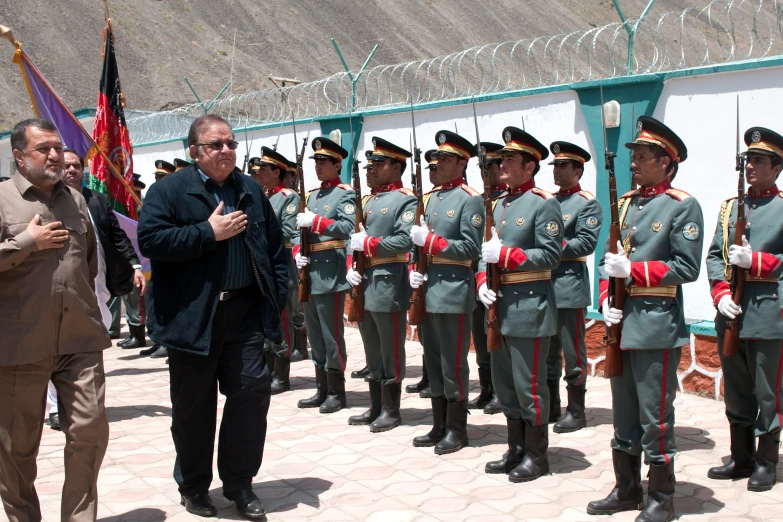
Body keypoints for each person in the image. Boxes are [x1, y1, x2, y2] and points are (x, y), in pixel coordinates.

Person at [138, 114, 288, 520]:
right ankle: (193, 486)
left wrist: (278, 296)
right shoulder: (169, 191)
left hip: (244, 314)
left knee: (251, 397)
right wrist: (208, 232)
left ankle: (240, 484)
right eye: (214, 145)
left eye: (230, 143)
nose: (225, 151)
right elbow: (150, 240)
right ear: (194, 151)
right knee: (193, 409)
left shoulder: (249, 189)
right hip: (193, 318)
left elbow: (275, 248)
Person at [587, 117, 703, 522]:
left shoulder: (681, 205)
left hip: (656, 325)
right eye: (633, 155)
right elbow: (607, 262)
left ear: (666, 163)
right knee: (623, 413)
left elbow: (686, 268)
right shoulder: (625, 204)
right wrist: (606, 298)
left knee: (655, 417)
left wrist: (632, 273)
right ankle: (626, 488)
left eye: (641, 156)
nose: (633, 163)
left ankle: (661, 498)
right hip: (622, 324)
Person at [0, 118, 111, 522]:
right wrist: (27, 242)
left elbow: (90, 261)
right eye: (42, 149)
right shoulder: (1, 199)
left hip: (79, 340)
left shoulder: (76, 200)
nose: (54, 156)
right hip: (20, 346)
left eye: (56, 147)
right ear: (18, 156)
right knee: (16, 450)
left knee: (90, 433)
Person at [477, 127, 562, 482]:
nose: (502, 165)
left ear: (530, 166)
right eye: (502, 160)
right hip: (499, 306)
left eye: (510, 159)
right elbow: (485, 254)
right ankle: (515, 449)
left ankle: (537, 456)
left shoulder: (544, 203)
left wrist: (507, 255)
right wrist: (482, 281)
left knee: (530, 385)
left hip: (530, 306)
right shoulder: (500, 204)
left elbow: (551, 254)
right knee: (506, 383)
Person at [705, 126, 783, 492]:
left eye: (759, 160)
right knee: (737, 388)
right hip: (731, 311)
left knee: (768, 391)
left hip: (768, 312)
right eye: (747, 159)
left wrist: (757, 261)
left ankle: (767, 460)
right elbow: (714, 256)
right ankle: (741, 456)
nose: (750, 166)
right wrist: (720, 293)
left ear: (777, 167)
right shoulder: (730, 208)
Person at [45, 148, 146, 430]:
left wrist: (136, 267)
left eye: (77, 166)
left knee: (92, 345)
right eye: (66, 166)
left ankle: (86, 400)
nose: (72, 171)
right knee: (58, 347)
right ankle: (55, 406)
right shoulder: (47, 203)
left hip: (97, 286)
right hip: (60, 288)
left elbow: (118, 237)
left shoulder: (98, 201)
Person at [410, 130, 483, 455]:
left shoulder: (470, 199)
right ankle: (438, 423)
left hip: (453, 290)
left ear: (461, 163)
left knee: (454, 362)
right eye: (437, 157)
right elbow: (418, 244)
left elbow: (470, 247)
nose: (438, 163)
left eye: (445, 158)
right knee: (434, 358)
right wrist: (415, 268)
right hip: (428, 289)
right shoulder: (432, 197)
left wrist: (431, 243)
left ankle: (457, 428)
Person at [347, 138, 416, 432]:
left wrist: (370, 244)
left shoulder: (406, 200)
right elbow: (354, 239)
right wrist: (352, 264)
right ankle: (375, 406)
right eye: (370, 165)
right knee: (372, 348)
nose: (370, 170)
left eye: (378, 164)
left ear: (396, 166)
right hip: (364, 284)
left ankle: (391, 408)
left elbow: (405, 239)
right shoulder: (367, 200)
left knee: (390, 348)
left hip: (388, 284)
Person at [294, 137, 356, 414]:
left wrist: (316, 221)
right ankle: (321, 388)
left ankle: (336, 390)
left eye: (323, 162)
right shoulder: (311, 196)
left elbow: (346, 227)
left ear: (337, 165)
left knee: (331, 335)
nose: (318, 167)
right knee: (315, 335)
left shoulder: (345, 194)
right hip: (310, 271)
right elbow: (300, 231)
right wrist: (297, 251)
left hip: (330, 272)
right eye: (316, 162)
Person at [546, 141, 602, 433]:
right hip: (545, 285)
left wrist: (547, 247)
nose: (556, 170)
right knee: (547, 352)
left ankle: (576, 411)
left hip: (569, 284)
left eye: (563, 165)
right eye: (554, 165)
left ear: (578, 170)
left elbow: (585, 243)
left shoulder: (586, 203)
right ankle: (551, 403)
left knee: (573, 352)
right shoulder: (547, 200)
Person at [249, 147, 299, 394]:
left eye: (264, 168)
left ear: (276, 171)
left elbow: (289, 232)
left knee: (283, 318)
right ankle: (268, 369)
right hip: (263, 269)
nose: (259, 172)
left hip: (281, 266)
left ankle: (282, 373)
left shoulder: (288, 197)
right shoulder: (264, 197)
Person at [469, 141, 507, 415]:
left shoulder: (507, 201)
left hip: (500, 279)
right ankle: (486, 389)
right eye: (481, 167)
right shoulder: (478, 201)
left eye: (489, 166)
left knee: (496, 338)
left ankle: (500, 391)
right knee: (480, 337)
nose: (484, 172)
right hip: (475, 277)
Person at [404, 149, 439, 399]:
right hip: (423, 273)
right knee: (427, 334)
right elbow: (411, 243)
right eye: (431, 169)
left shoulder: (463, 198)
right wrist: (412, 269)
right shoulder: (424, 200)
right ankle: (429, 377)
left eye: (438, 167)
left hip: (445, 278)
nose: (434, 173)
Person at [283, 159, 309, 362]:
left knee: (295, 302)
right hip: (283, 255)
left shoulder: (290, 197)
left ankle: (300, 347)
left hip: (291, 254)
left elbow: (290, 230)